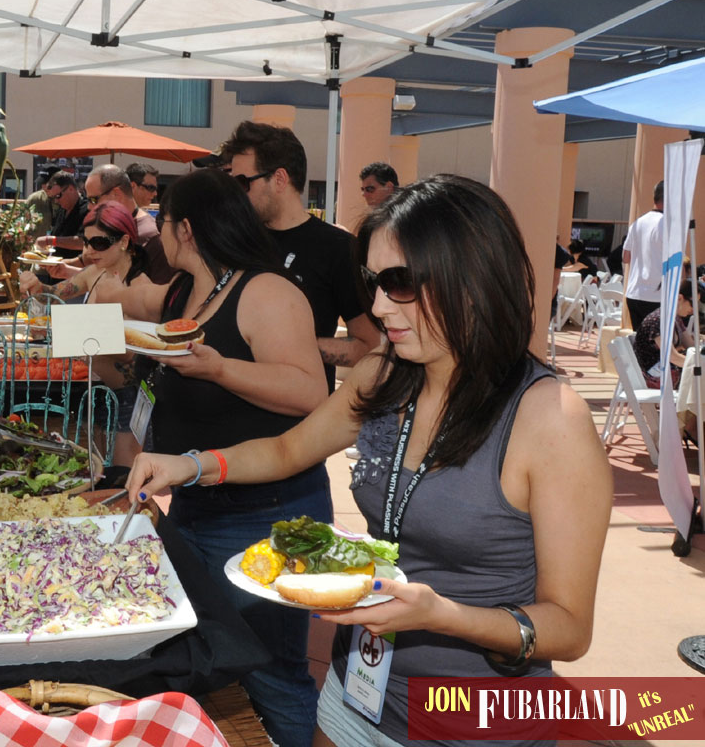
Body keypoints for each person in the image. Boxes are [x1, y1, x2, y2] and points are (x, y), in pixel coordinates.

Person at [127, 175, 611, 747]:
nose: (378, 306)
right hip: (357, 693)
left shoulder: (550, 419)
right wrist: (192, 465)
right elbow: (289, 448)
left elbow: (569, 628)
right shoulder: (386, 374)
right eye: (374, 282)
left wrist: (440, 615)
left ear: (472, 278)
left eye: (400, 283)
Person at [111, 169, 328, 747]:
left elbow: (312, 393)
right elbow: (125, 305)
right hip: (198, 501)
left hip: (268, 509)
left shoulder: (266, 291)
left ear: (189, 227)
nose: (156, 234)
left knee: (271, 667)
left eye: (163, 222)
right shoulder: (188, 292)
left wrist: (220, 369)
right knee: (208, 655)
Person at [221, 120, 381, 392]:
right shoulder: (234, 240)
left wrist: (279, 349)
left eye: (242, 182)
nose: (236, 192)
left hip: (299, 417)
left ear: (279, 179)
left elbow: (368, 345)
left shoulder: (338, 247)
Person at [19, 202, 154, 466]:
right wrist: (35, 286)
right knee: (98, 470)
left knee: (124, 475)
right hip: (94, 392)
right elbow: (53, 295)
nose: (90, 250)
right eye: (87, 241)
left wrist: (79, 331)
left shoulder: (140, 286)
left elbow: (136, 354)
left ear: (125, 241)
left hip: (127, 397)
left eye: (100, 243)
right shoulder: (95, 272)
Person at [83, 164, 172, 283]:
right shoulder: (106, 225)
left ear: (116, 194)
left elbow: (158, 292)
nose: (89, 206)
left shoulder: (150, 235)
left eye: (93, 199)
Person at [633, 281, 694, 390]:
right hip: (655, 377)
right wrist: (698, 364)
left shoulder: (675, 318)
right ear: (680, 298)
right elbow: (672, 357)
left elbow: (692, 347)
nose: (694, 310)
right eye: (692, 304)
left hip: (667, 372)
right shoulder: (659, 320)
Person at [624, 181, 665, 330]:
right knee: (656, 348)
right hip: (656, 296)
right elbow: (676, 262)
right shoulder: (668, 225)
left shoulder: (637, 223)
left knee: (640, 346)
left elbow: (626, 257)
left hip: (634, 293)